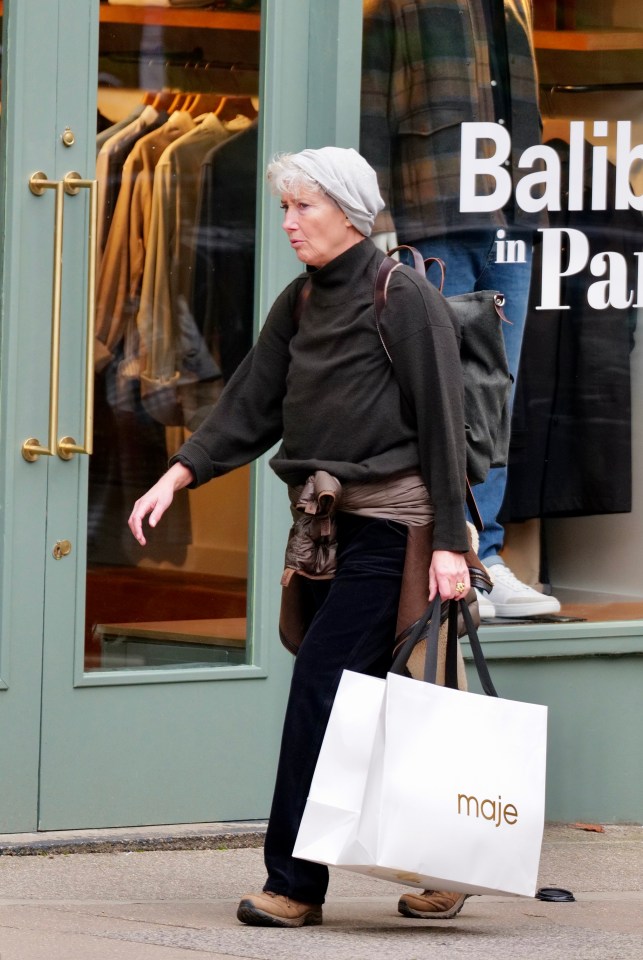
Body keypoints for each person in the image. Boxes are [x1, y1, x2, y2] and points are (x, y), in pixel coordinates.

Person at [129, 146, 472, 927]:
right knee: (381, 701)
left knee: (323, 692)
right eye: (284, 207)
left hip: (396, 528)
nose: (287, 223)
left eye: (302, 208)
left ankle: (292, 886)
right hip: (325, 528)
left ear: (348, 212)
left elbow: (445, 429)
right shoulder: (301, 299)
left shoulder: (403, 297)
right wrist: (176, 474)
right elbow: (250, 402)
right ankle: (446, 862)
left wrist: (450, 543)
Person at [360, 0, 561, 620]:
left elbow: (522, 123)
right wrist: (376, 225)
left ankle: (488, 556)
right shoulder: (399, 7)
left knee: (494, 392)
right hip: (431, 212)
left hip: (510, 221)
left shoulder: (514, 12)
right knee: (436, 392)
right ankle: (444, 554)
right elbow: (371, 114)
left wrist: (535, 216)